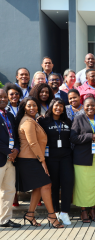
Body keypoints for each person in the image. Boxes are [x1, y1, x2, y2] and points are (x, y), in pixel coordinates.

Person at [15, 96, 64, 228]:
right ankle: (52, 215)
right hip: (29, 160)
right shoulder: (28, 122)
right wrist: (42, 161)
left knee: (38, 187)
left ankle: (30, 214)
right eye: (29, 105)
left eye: (35, 105)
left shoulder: (31, 120)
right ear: (24, 107)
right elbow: (33, 143)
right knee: (47, 185)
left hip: (33, 159)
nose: (32, 108)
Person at [37, 98, 73, 225]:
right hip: (50, 157)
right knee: (54, 185)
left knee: (67, 183)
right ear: (51, 106)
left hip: (66, 157)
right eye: (56, 106)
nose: (59, 108)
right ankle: (55, 212)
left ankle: (65, 212)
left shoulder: (68, 121)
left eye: (61, 106)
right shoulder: (43, 121)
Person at [70, 96, 95, 223]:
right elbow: (73, 138)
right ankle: (84, 210)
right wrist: (89, 136)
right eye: (87, 105)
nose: (90, 107)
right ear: (83, 107)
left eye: (93, 105)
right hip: (82, 158)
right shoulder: (78, 119)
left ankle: (93, 209)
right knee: (83, 186)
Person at [0, 89, 21, 228]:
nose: (3, 99)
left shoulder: (10, 116)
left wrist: (17, 150)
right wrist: (9, 152)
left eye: (4, 97)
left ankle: (4, 220)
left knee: (9, 191)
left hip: (11, 160)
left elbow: (16, 136)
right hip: (2, 157)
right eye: (0, 97)